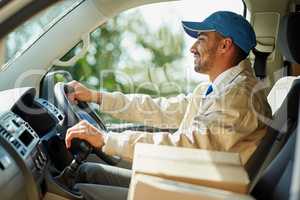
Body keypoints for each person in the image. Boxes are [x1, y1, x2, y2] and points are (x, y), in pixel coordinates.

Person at [66, 11, 272, 199]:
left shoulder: (239, 98)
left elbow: (187, 147)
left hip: (201, 191)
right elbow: (160, 109)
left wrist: (106, 139)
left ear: (225, 45)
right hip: (187, 179)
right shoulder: (215, 89)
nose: (192, 48)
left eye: (200, 39)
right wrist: (97, 96)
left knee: (79, 193)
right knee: (88, 172)